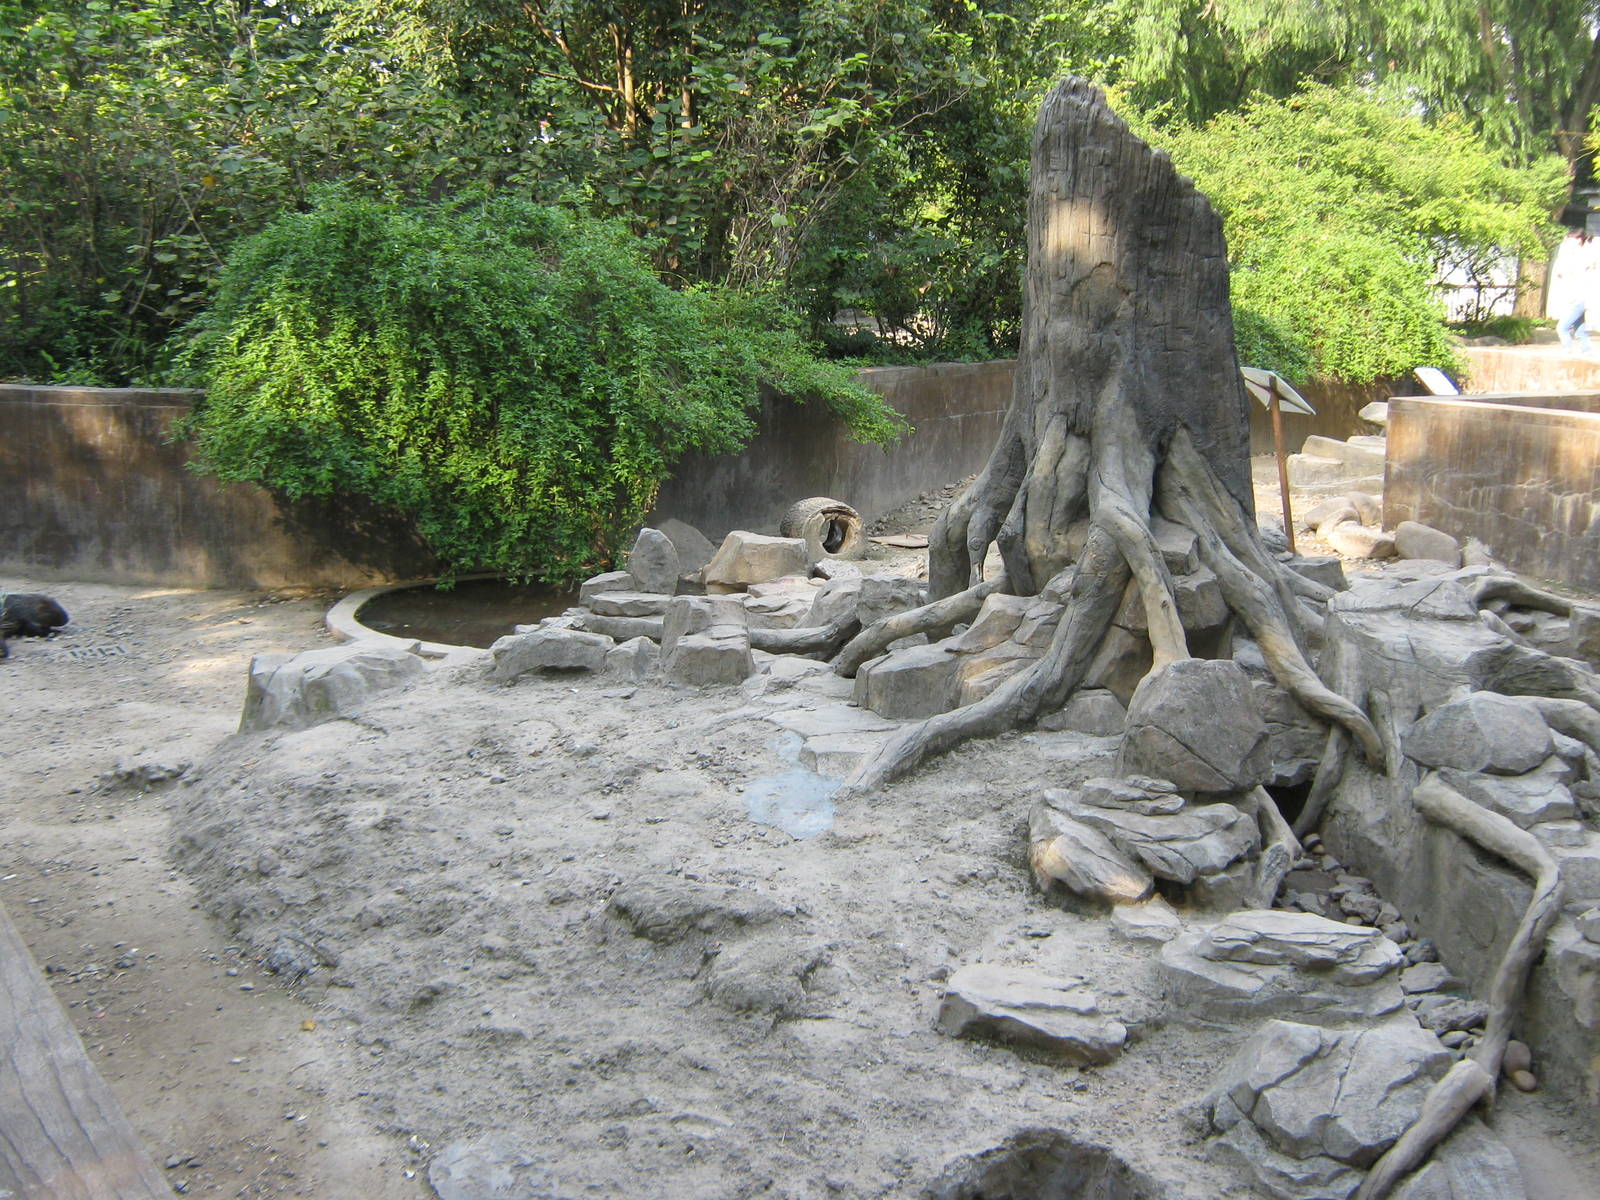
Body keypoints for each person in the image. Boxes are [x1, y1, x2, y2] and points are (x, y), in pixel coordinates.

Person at [1555, 230, 1599, 354]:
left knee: (1562, 327)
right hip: (1579, 299)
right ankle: (1587, 350)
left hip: (1578, 300)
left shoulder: (1581, 255)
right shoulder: (1576, 254)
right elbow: (1561, 273)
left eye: (1571, 240)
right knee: (1579, 329)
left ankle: (1567, 349)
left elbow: (1568, 272)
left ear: (1579, 240)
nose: (1568, 243)